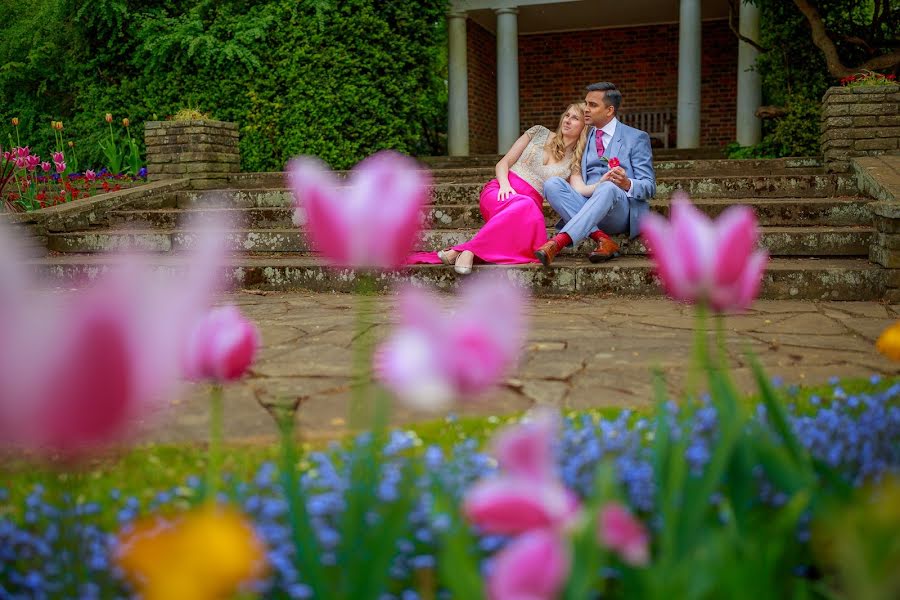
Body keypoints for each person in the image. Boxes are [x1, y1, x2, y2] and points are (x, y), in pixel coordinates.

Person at [410, 104, 587, 273]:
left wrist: (605, 183)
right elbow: (504, 163)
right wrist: (505, 185)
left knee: (526, 205)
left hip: (527, 212)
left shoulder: (574, 161)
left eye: (575, 118)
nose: (567, 120)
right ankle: (466, 251)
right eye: (567, 115)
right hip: (500, 192)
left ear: (584, 127)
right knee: (525, 203)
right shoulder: (538, 132)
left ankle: (465, 251)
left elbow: (579, 188)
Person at [535, 82, 656, 266]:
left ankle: (558, 242)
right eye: (586, 103)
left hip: (619, 211)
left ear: (609, 110)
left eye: (593, 105)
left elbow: (649, 186)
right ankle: (603, 240)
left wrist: (626, 183)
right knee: (552, 184)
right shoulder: (582, 137)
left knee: (608, 187)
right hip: (586, 204)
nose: (586, 109)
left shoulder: (636, 138)